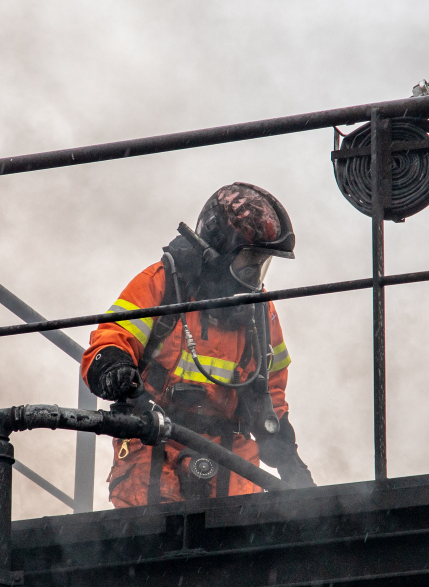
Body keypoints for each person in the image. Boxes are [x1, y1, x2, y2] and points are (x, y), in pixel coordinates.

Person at [81, 183, 315, 508]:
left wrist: (292, 467)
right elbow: (108, 343)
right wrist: (115, 369)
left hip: (227, 453)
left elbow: (270, 397)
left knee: (245, 532)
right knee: (154, 530)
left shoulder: (260, 313)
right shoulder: (160, 285)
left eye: (261, 264)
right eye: (249, 261)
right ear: (218, 253)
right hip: (154, 441)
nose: (254, 276)